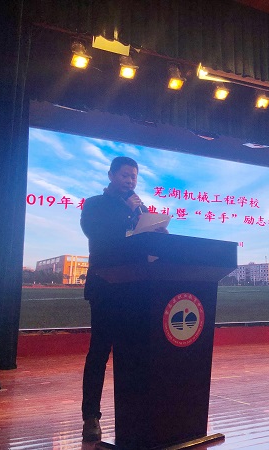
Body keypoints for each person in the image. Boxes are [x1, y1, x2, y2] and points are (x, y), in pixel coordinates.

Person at [79, 156, 151, 442]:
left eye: (134, 176)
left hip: (135, 289)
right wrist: (129, 214)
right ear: (111, 175)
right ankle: (91, 417)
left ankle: (133, 411)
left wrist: (155, 228)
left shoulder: (140, 209)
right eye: (125, 175)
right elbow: (98, 234)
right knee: (99, 352)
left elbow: (154, 240)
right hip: (106, 287)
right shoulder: (94, 204)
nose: (130, 181)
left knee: (133, 353)